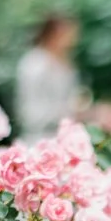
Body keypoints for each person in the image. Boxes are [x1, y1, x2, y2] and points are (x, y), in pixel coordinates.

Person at [15, 13, 88, 142]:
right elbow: (31, 112)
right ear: (54, 35)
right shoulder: (35, 63)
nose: (72, 42)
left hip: (64, 136)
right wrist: (73, 112)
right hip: (39, 138)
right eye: (68, 36)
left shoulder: (65, 62)